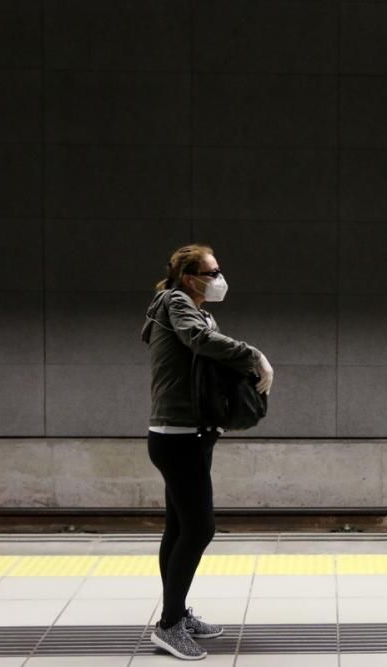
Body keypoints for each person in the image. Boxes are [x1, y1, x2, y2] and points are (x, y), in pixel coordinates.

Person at [140, 243, 273, 660]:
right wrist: (255, 356)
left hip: (185, 433)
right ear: (188, 276)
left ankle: (175, 613)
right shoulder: (176, 302)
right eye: (211, 272)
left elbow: (205, 340)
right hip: (179, 436)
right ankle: (169, 626)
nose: (218, 279)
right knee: (200, 528)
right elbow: (199, 340)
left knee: (179, 527)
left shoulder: (191, 307)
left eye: (219, 270)